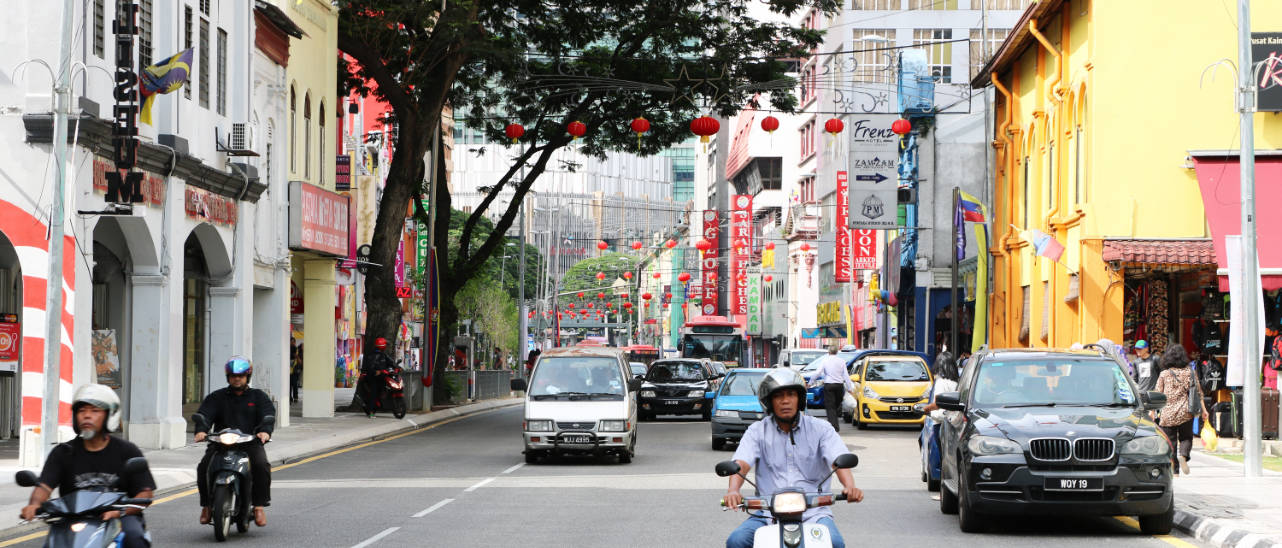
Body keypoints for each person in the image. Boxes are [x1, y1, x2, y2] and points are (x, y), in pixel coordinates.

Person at [724, 369, 863, 548]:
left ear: (800, 399)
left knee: (834, 543)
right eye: (778, 396)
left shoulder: (821, 429)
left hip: (813, 514)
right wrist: (733, 490)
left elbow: (838, 459)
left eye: (791, 394)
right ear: (769, 401)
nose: (785, 401)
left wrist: (849, 486)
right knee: (736, 541)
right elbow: (741, 463)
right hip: (768, 514)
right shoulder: (757, 431)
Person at [21, 384, 155, 548]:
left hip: (119, 515)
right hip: (72, 517)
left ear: (110, 415)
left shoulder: (127, 450)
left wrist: (121, 512)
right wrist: (34, 504)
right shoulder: (63, 452)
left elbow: (145, 492)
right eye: (81, 411)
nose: (86, 415)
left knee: (135, 538)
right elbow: (44, 486)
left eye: (95, 411)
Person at [193, 357, 276, 527]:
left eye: (240, 376)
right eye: (233, 376)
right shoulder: (217, 397)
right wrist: (201, 430)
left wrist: (264, 431)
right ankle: (206, 506)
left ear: (247, 377)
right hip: (220, 443)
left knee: (261, 465)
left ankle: (258, 506)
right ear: (228, 377)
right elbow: (204, 414)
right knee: (203, 467)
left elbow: (268, 415)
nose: (237, 379)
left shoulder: (258, 396)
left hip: (250, 442)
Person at [1153, 345, 1210, 476]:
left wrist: (1152, 411)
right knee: (1186, 438)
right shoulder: (1190, 372)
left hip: (1168, 413)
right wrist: (1204, 410)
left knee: (1170, 442)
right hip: (1186, 412)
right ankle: (1183, 455)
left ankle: (1175, 472)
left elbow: (1157, 394)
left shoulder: (1164, 374)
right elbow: (1198, 393)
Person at [807, 345, 853, 432]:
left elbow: (817, 372)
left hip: (829, 385)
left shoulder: (825, 360)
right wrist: (849, 388)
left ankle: (834, 427)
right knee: (836, 405)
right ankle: (834, 423)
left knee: (830, 407)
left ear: (828, 352)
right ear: (837, 352)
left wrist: (810, 383)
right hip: (839, 386)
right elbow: (846, 375)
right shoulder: (841, 361)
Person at [361, 337, 397, 417]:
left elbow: (391, 362)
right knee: (374, 393)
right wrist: (375, 372)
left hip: (382, 377)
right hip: (373, 377)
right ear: (383, 346)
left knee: (387, 388)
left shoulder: (383, 355)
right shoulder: (372, 356)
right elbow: (369, 367)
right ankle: (371, 412)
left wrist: (397, 367)